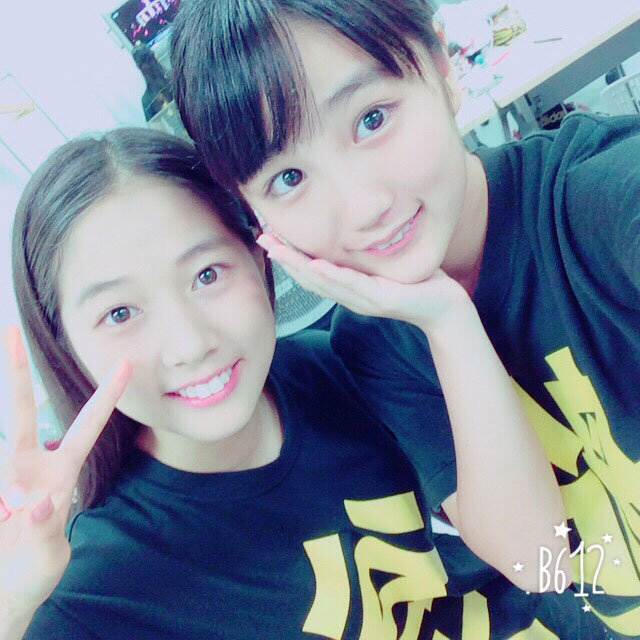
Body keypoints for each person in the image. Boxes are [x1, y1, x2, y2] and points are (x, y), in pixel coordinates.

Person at [0, 127, 590, 640]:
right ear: (65, 346)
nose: (190, 344)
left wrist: (447, 321)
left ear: (260, 256)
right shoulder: (102, 584)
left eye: (207, 274)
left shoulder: (355, 363)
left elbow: (541, 562)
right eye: (120, 314)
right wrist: (11, 604)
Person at [170, 0, 640, 637]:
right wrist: (448, 323)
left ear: (443, 66)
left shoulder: (594, 201)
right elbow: (537, 560)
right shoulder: (376, 341)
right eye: (289, 178)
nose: (363, 207)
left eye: (371, 119)